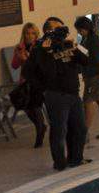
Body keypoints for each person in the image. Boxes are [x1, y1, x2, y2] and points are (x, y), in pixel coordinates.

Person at [32, 16, 90, 171]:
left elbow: (86, 61)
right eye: (57, 29)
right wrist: (47, 51)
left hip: (73, 94)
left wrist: (74, 47)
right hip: (56, 96)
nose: (61, 33)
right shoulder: (40, 48)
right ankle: (59, 163)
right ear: (48, 31)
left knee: (79, 128)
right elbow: (45, 72)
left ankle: (76, 159)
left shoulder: (67, 44)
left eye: (62, 29)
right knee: (59, 131)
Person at [73, 15, 99, 140]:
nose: (79, 32)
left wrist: (79, 50)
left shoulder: (93, 40)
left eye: (79, 29)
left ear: (84, 28)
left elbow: (94, 58)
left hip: (95, 75)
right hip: (96, 74)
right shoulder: (87, 39)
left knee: (88, 102)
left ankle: (84, 132)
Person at [8, 21, 46, 148]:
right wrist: (18, 56)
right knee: (26, 107)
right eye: (27, 33)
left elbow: (40, 65)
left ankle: (40, 133)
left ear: (36, 35)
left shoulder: (40, 46)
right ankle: (41, 126)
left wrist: (27, 59)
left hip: (38, 82)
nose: (30, 36)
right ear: (24, 34)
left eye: (32, 33)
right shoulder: (20, 47)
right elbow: (14, 66)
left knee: (35, 106)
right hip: (25, 81)